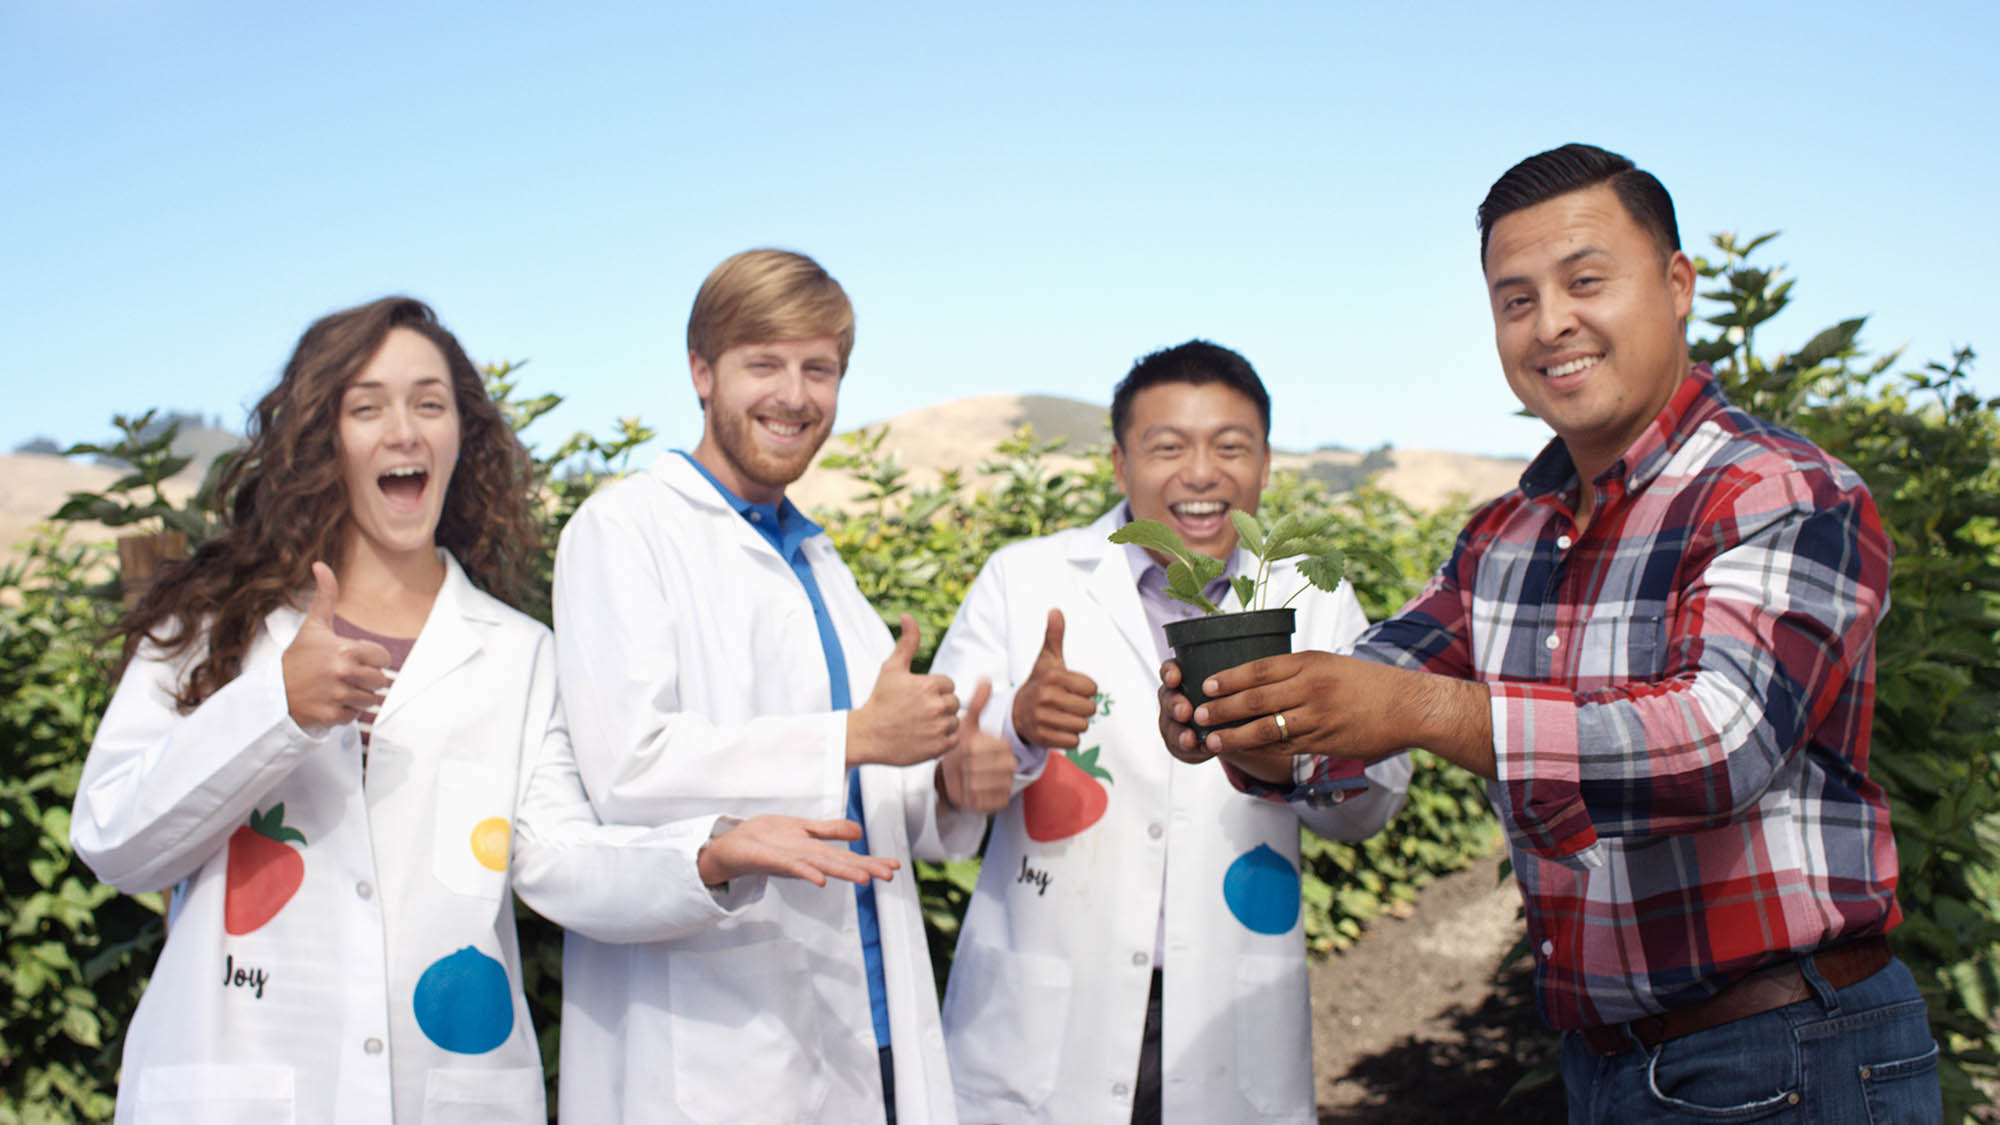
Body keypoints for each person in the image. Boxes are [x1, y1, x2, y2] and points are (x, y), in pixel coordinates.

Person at [1161, 144, 1940, 1121]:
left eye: (1585, 281)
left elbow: (1721, 742)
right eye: (1515, 299)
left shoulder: (1777, 490)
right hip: (1606, 1062)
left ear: (1677, 285)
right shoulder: (1504, 536)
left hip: (1791, 1049)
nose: (1550, 322)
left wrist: (1423, 709)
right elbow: (1372, 685)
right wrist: (1255, 725)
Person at [69, 296, 895, 1125]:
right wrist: (276, 707)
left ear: (462, 435)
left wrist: (706, 854)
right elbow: (112, 836)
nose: (405, 431)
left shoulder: (518, 655)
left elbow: (559, 857)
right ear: (323, 438)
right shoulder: (214, 627)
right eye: (367, 408)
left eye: (430, 404)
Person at [550, 248, 1014, 1124]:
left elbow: (873, 798)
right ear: (701, 372)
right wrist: (853, 735)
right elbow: (628, 771)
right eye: (763, 363)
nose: (795, 395)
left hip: (873, 1022)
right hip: (720, 1040)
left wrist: (951, 784)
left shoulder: (818, 558)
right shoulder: (622, 530)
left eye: (819, 369)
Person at [931, 340, 1411, 1123]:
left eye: (1231, 446)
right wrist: (1015, 727)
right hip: (1046, 1022)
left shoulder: (1312, 598)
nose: (1201, 473)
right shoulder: (1024, 579)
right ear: (1120, 465)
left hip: (1227, 1015)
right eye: (1168, 447)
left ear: (1266, 465)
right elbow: (948, 760)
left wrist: (1288, 760)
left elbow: (1377, 794)